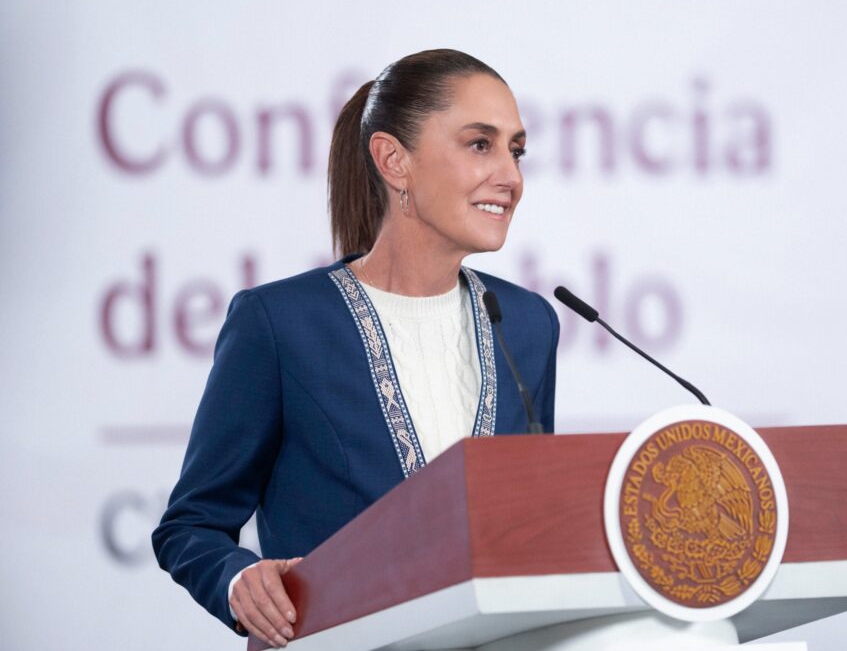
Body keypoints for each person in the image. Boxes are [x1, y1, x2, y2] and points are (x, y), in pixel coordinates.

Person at [152, 49, 560, 648]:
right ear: (393, 160)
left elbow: (533, 523)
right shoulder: (280, 323)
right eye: (481, 145)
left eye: (516, 151)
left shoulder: (527, 324)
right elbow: (191, 524)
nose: (511, 177)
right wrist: (239, 578)